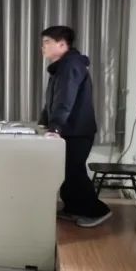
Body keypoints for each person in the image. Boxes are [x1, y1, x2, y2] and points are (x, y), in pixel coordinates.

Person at [39, 25, 112, 228]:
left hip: (77, 131)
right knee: (65, 172)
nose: (43, 47)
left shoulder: (71, 65)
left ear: (62, 45)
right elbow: (52, 101)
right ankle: (73, 208)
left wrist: (55, 128)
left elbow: (65, 99)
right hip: (70, 130)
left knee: (74, 172)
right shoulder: (61, 67)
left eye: (47, 42)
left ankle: (98, 211)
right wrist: (43, 123)